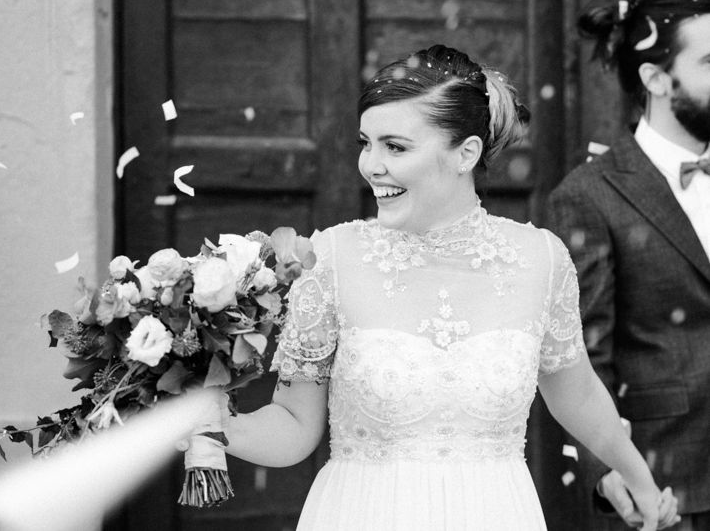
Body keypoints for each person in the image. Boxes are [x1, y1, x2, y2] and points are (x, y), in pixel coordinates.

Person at [214, 44, 678, 530]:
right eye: (365, 142)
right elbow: (294, 426)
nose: (371, 165)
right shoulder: (331, 259)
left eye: (395, 146)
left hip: (497, 514)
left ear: (466, 154)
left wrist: (639, 482)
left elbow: (579, 398)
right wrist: (223, 428)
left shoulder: (540, 259)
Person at [547, 0, 710, 530]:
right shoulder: (588, 196)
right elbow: (578, 359)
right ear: (656, 79)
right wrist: (606, 469)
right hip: (670, 485)